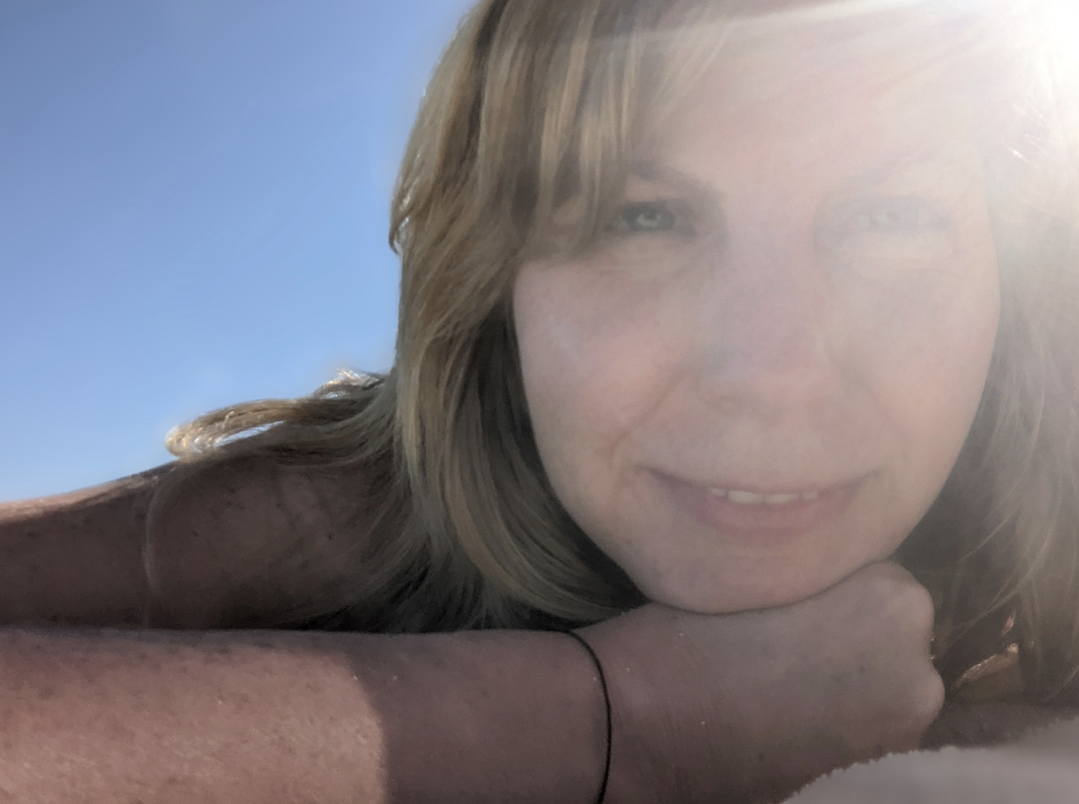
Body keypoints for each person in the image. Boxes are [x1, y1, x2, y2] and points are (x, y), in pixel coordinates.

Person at [3, 0, 1079, 801]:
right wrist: (619, 723)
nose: (771, 372)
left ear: (1015, 276)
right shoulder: (355, 510)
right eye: (640, 216)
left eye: (893, 216)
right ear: (491, 286)